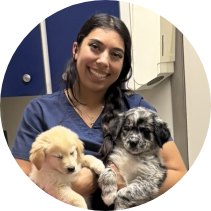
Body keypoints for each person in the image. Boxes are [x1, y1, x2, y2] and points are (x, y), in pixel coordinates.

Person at [11, 13, 187, 210]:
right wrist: (69, 186)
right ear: (76, 50)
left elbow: (177, 174)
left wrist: (117, 180)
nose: (104, 61)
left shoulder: (137, 111)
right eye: (95, 47)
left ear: (122, 65)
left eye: (116, 54)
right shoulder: (40, 111)